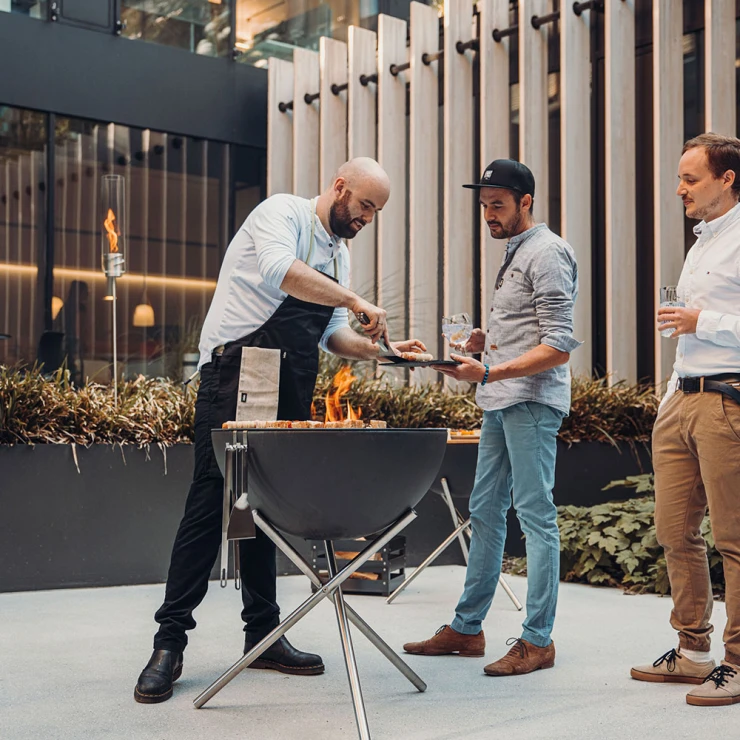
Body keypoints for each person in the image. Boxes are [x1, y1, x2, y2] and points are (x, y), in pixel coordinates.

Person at [134, 157, 426, 703]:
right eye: (365, 205)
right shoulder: (282, 214)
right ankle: (168, 645)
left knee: (261, 509)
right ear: (339, 187)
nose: (367, 218)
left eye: (376, 211)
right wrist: (354, 299)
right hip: (236, 374)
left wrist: (386, 352)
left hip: (289, 380)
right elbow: (279, 271)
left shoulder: (339, 252)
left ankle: (263, 635)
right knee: (213, 506)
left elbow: (335, 336)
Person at [402, 159, 580, 676]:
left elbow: (560, 345)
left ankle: (538, 639)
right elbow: (529, 329)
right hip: (502, 400)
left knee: (535, 516)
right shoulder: (516, 250)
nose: (488, 215)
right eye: (483, 206)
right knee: (484, 511)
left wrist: (488, 370)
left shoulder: (547, 252)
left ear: (526, 201)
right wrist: (489, 342)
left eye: (497, 205)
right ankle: (467, 627)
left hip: (529, 400)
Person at [630, 133, 740, 707]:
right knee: (675, 532)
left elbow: (710, 323)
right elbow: (687, 328)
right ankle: (694, 651)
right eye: (680, 178)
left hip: (728, 400)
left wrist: (708, 321)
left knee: (735, 539)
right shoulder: (701, 244)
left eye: (690, 179)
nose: (680, 189)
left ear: (726, 179)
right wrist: (668, 397)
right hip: (682, 400)